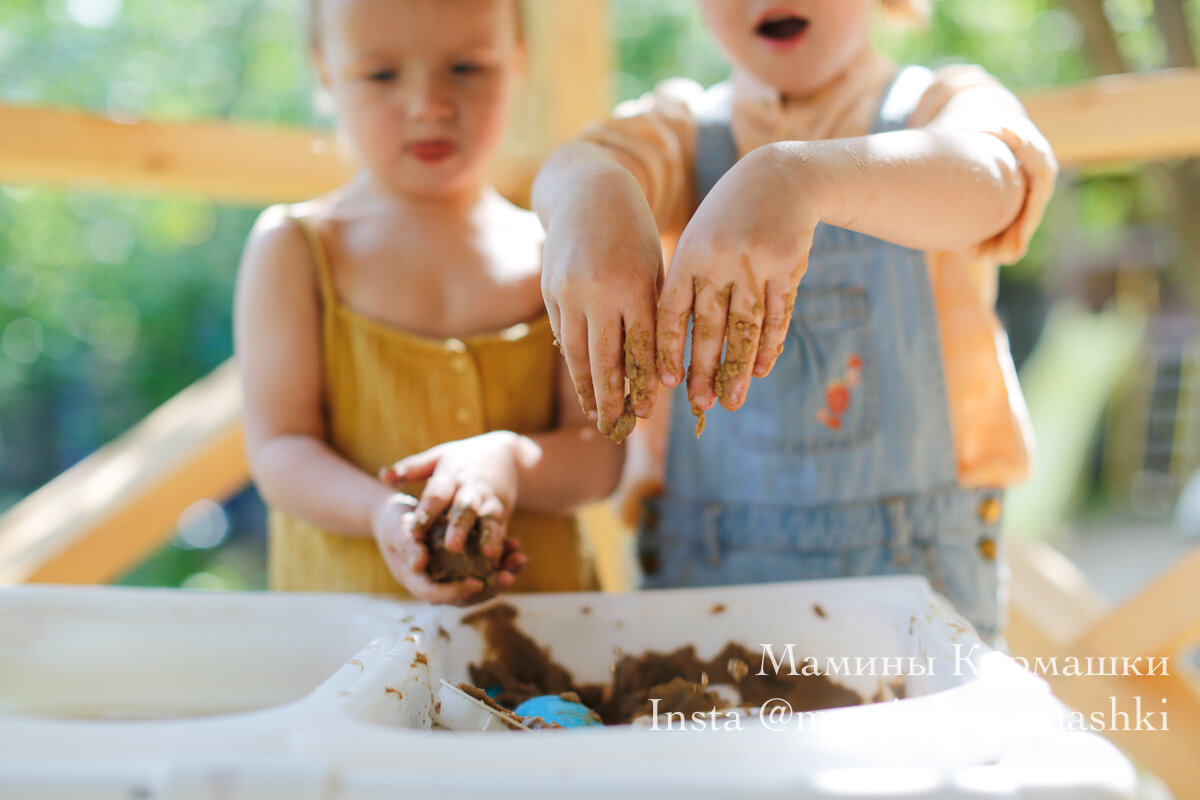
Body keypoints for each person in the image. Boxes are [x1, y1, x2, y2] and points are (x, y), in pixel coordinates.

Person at [532, 0, 1057, 640]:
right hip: (704, 596)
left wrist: (804, 178)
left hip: (917, 605)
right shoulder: (677, 133)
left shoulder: (939, 105)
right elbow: (574, 162)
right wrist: (591, 191)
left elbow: (996, 177)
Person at [235, 0, 621, 605]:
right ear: (326, 74)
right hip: (349, 641)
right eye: (383, 75)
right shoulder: (297, 250)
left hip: (543, 641)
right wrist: (378, 513)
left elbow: (600, 457)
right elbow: (280, 448)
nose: (430, 105)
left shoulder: (554, 252)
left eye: (466, 67)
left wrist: (511, 463)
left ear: (516, 63)